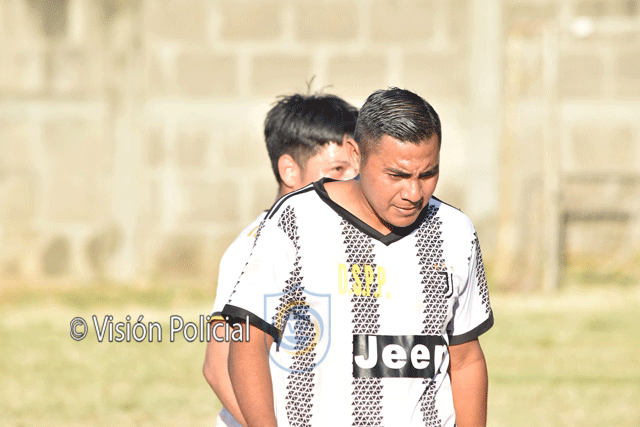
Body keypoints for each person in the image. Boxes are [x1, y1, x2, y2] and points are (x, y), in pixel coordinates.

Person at [222, 87, 494, 427]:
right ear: (356, 154)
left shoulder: (454, 231)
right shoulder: (295, 220)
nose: (413, 192)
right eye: (397, 175)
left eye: (427, 174)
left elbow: (466, 359)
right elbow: (248, 340)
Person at [203, 92, 360, 427]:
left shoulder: (334, 240)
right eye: (338, 169)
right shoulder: (256, 247)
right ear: (289, 170)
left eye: (358, 169)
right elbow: (218, 368)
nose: (353, 180)